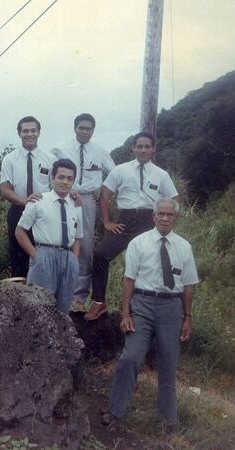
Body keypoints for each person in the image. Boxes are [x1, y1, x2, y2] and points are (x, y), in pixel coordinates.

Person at [102, 198, 199, 428]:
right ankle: (114, 411)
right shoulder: (139, 243)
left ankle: (168, 419)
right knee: (130, 357)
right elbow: (129, 280)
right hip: (142, 305)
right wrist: (126, 314)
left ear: (176, 218)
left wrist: (187, 317)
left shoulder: (184, 247)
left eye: (170, 215)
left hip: (172, 308)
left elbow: (188, 285)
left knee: (168, 363)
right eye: (161, 214)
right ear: (153, 216)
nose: (165, 218)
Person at [86, 131, 179, 320]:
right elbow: (105, 194)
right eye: (139, 146)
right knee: (101, 255)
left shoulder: (161, 175)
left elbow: (174, 199)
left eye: (147, 147)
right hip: (125, 220)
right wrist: (107, 221)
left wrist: (165, 221)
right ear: (133, 148)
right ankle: (98, 302)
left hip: (149, 220)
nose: (143, 150)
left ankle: (136, 308)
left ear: (153, 149)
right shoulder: (121, 170)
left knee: (146, 264)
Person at [52, 113, 115, 312]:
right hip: (64, 197)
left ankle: (78, 298)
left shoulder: (100, 152)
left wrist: (103, 194)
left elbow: (115, 175)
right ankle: (56, 293)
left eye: (89, 128)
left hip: (87, 200)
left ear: (93, 130)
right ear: (75, 128)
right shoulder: (61, 149)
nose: (85, 131)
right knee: (61, 242)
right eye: (81, 127)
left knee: (85, 247)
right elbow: (49, 172)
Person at [15, 159, 83, 314]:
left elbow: (78, 237)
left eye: (69, 178)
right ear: (52, 178)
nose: (65, 182)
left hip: (68, 258)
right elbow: (20, 231)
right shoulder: (38, 201)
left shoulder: (77, 205)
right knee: (38, 307)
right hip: (44, 255)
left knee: (63, 310)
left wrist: (74, 260)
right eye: (61, 177)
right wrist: (35, 255)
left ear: (73, 181)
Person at [0, 117, 55, 278]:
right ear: (19, 133)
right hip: (18, 211)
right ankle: (18, 298)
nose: (29, 134)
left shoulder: (50, 159)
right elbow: (5, 190)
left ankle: (44, 297)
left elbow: (56, 188)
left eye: (33, 130)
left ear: (39, 133)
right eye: (25, 131)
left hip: (44, 214)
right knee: (18, 259)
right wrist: (26, 201)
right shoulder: (10, 159)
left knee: (44, 254)